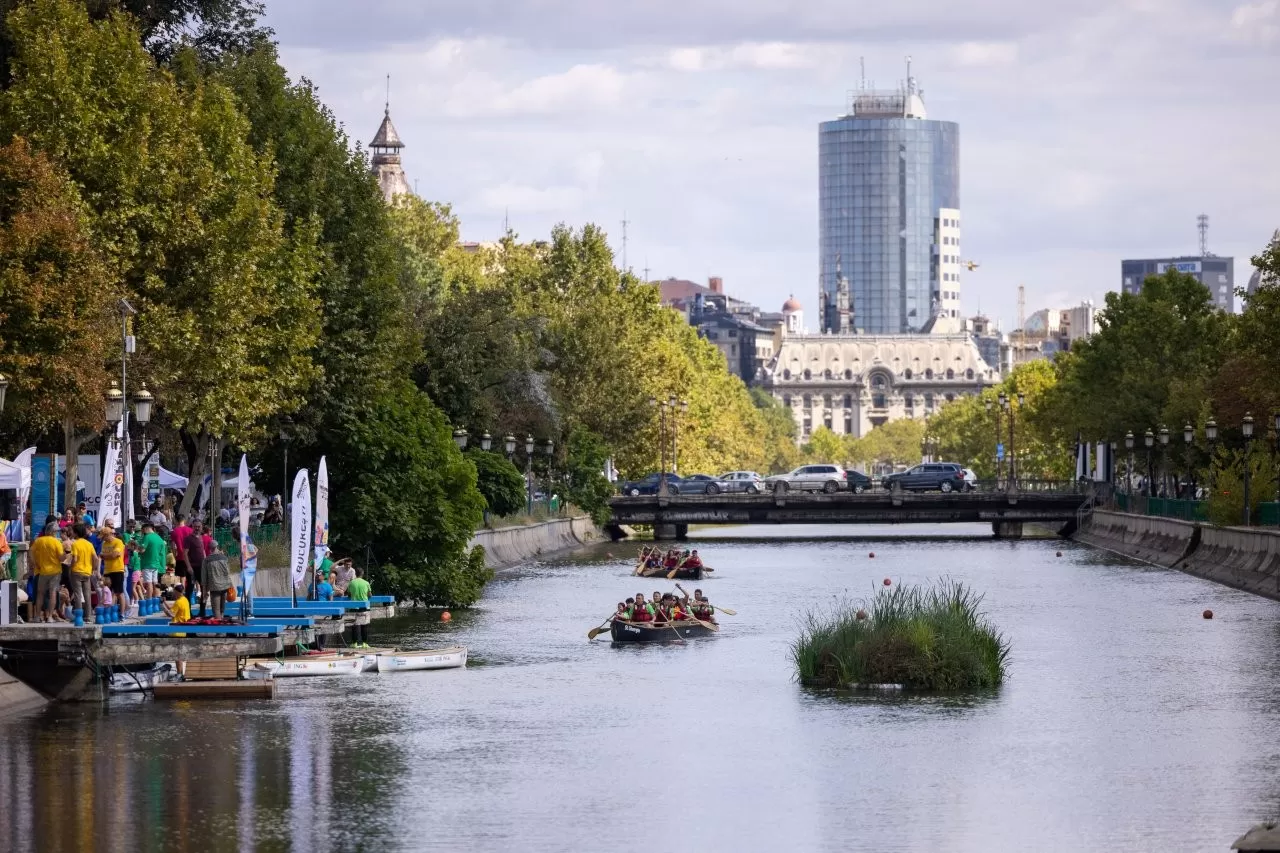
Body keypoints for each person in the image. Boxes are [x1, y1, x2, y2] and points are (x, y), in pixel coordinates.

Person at [30, 523, 65, 623]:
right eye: (56, 531)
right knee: (52, 593)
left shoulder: (39, 541)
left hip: (42, 572)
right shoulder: (57, 542)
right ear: (52, 532)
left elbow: (30, 552)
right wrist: (67, 555)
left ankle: (37, 617)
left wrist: (34, 563)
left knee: (40, 594)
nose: (57, 533)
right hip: (55, 572)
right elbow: (61, 558)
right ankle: (49, 617)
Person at [68, 523, 99, 623]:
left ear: (76, 533)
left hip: (76, 571)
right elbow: (95, 558)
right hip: (87, 572)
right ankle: (88, 616)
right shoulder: (89, 544)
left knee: (77, 594)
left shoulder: (75, 544)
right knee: (87, 594)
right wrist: (93, 569)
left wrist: (71, 567)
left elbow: (75, 558)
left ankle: (79, 617)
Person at [201, 539, 233, 620]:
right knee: (222, 609)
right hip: (225, 586)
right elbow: (228, 572)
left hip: (215, 587)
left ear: (210, 549)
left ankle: (220, 631)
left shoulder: (206, 560)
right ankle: (221, 626)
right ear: (217, 547)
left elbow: (204, 577)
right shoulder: (224, 558)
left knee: (216, 610)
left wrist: (204, 591)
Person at [99, 521, 127, 611]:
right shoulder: (104, 544)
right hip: (107, 570)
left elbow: (115, 555)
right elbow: (102, 556)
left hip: (117, 570)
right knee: (107, 592)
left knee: (119, 592)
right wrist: (107, 556)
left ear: (108, 535)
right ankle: (110, 611)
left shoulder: (118, 542)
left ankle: (122, 613)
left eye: (104, 537)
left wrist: (105, 556)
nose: (103, 539)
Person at [139, 521, 167, 601]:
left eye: (143, 530)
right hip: (156, 563)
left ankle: (149, 601)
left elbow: (142, 550)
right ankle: (156, 601)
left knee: (149, 583)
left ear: (146, 528)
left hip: (147, 563)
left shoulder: (147, 537)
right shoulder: (159, 538)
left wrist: (136, 548)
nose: (142, 532)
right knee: (155, 582)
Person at [183, 520, 206, 610]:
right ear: (192, 527)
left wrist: (205, 562)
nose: (197, 528)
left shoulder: (201, 537)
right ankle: (188, 611)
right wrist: (188, 566)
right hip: (192, 567)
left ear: (201, 527)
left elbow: (202, 551)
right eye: (195, 526)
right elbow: (185, 553)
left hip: (201, 567)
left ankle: (202, 610)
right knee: (190, 589)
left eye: (198, 526)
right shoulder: (188, 539)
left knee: (203, 587)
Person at [346, 567, 372, 647]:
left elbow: (349, 594)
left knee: (355, 625)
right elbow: (370, 595)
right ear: (362, 574)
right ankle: (364, 643)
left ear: (355, 574)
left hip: (354, 606)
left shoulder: (351, 583)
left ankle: (354, 643)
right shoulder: (366, 583)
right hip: (364, 606)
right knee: (364, 625)